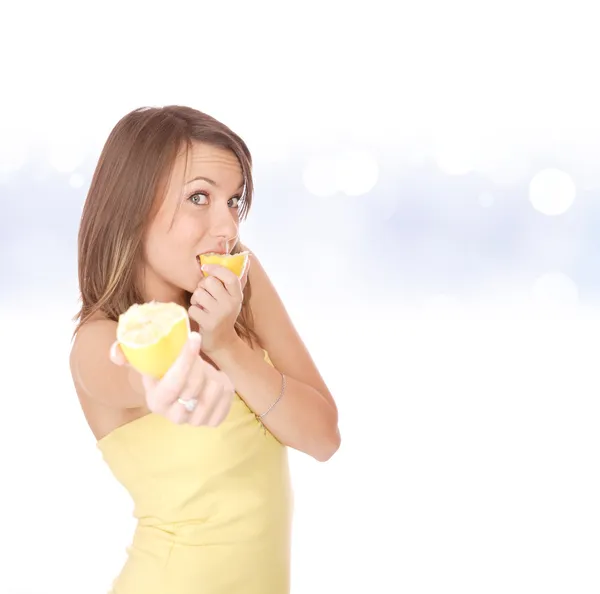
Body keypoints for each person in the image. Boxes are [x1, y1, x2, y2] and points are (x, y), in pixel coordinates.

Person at [69, 105, 341, 594]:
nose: (228, 227)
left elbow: (323, 439)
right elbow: (134, 370)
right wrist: (165, 378)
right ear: (132, 207)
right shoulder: (99, 337)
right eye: (199, 197)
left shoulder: (242, 281)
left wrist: (227, 346)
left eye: (233, 201)